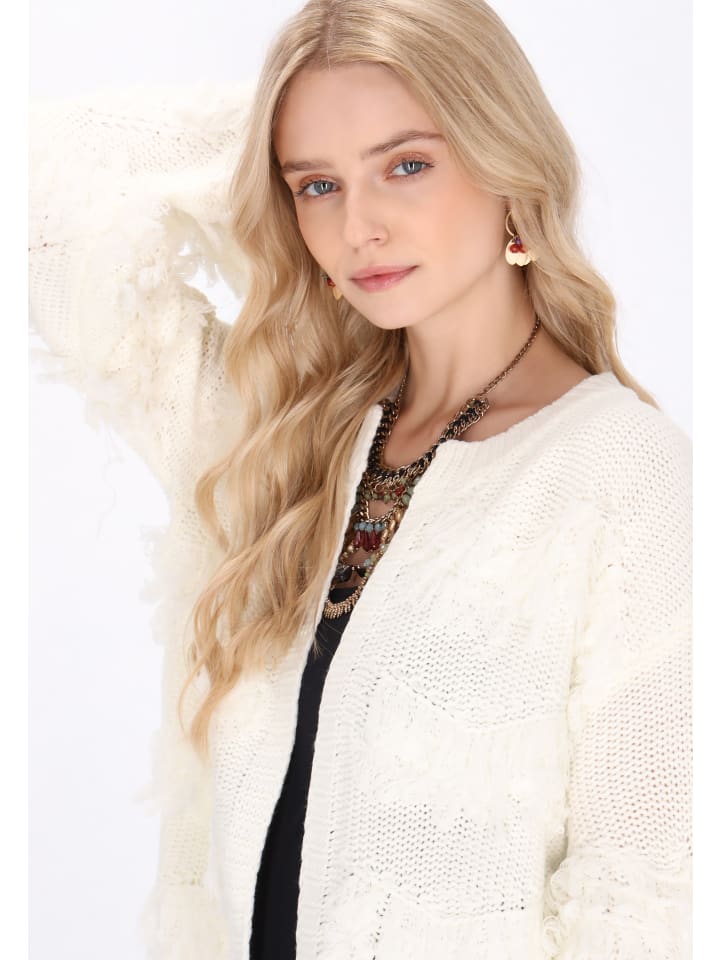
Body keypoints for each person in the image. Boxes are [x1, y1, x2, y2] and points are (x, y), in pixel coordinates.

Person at [29, 0, 692, 957]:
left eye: (407, 165)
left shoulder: (619, 467)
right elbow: (54, 195)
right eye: (317, 186)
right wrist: (283, 120)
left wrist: (331, 120)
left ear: (508, 159)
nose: (359, 227)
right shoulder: (274, 434)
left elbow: (635, 891)